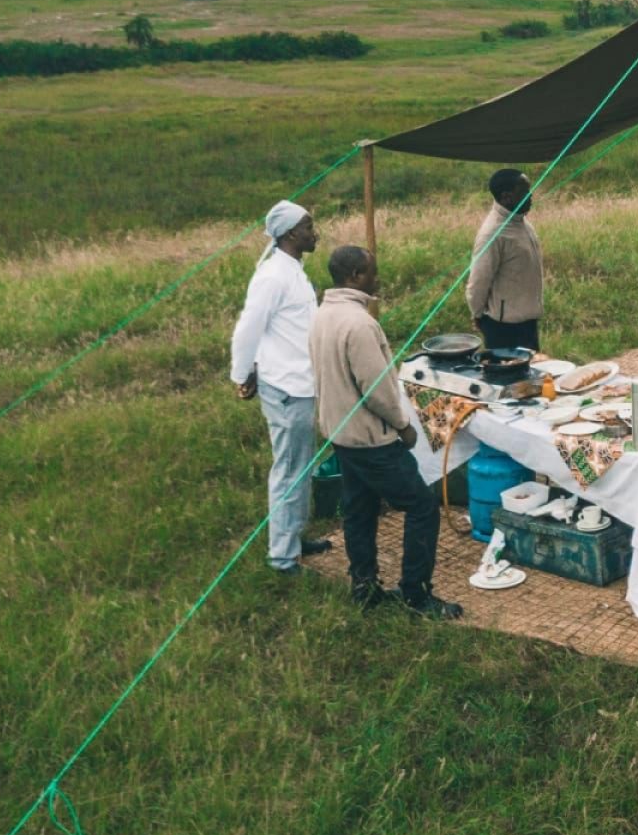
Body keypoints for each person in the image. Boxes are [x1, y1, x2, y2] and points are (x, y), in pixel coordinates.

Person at [312, 245, 462, 620]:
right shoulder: (359, 324)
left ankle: (364, 586)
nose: (377, 278)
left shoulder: (323, 314)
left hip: (340, 433)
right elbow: (376, 388)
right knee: (422, 507)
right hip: (370, 437)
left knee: (358, 510)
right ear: (355, 276)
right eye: (372, 272)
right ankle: (416, 593)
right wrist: (403, 425)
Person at [228, 200, 331, 574]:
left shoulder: (292, 270)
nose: (314, 232)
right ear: (290, 234)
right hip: (288, 387)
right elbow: (248, 328)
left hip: (300, 381)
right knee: (289, 469)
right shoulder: (273, 276)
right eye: (308, 226)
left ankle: (294, 535)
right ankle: (282, 557)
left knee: (302, 466)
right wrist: (242, 374)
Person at [466, 167, 543, 351]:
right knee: (509, 378)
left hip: (527, 323)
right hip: (504, 328)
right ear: (506, 197)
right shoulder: (492, 233)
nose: (531, 195)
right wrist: (477, 314)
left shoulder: (521, 222)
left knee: (532, 376)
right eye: (524, 192)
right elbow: (479, 281)